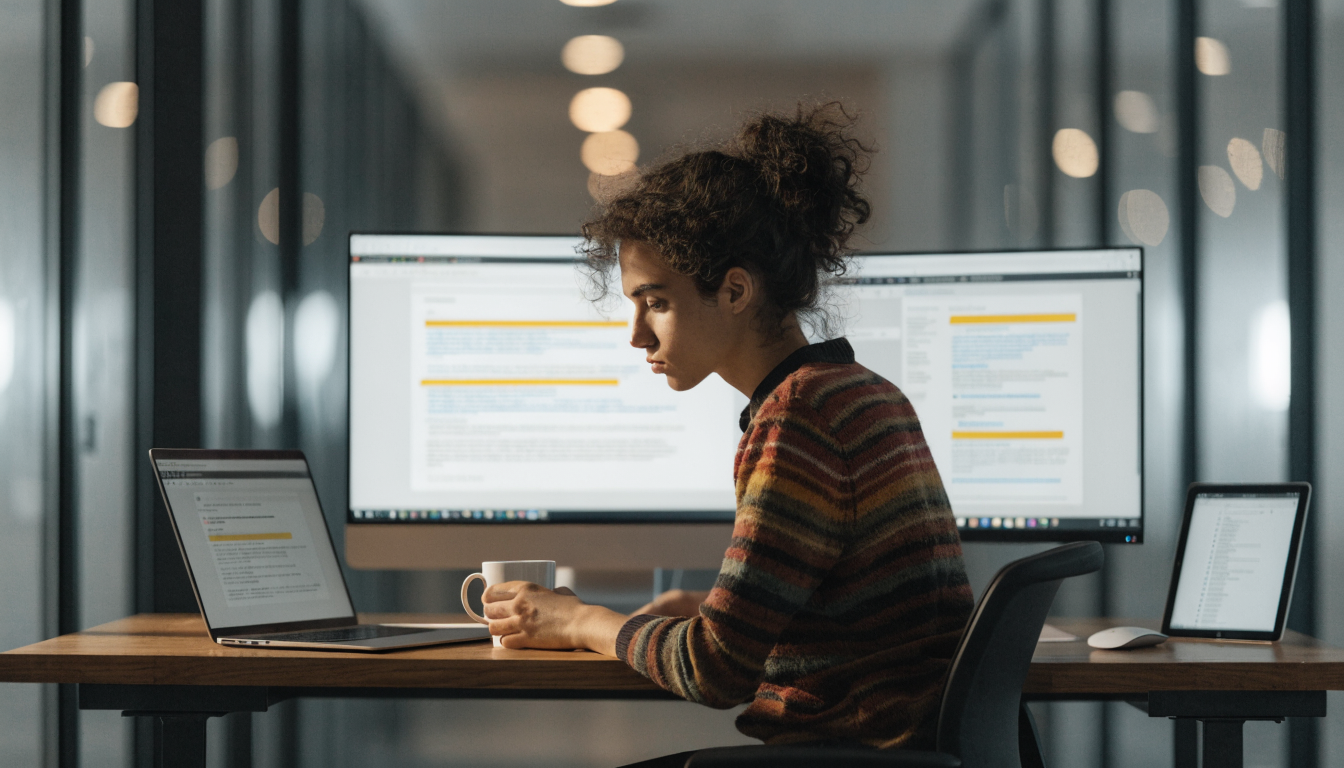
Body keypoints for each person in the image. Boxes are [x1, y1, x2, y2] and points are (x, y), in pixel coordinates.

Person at [480, 103, 974, 765]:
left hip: (843, 753)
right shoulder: (863, 392)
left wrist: (580, 622)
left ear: (736, 290)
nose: (636, 335)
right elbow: (839, 628)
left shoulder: (797, 422)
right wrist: (715, 618)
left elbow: (714, 673)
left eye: (656, 302)